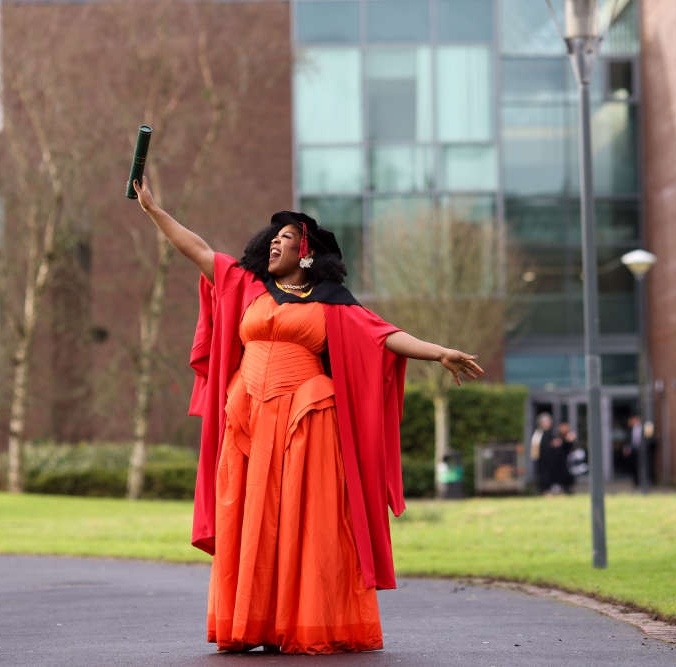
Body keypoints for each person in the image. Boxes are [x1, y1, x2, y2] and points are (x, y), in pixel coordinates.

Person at [132, 177, 484, 655]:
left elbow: (385, 336)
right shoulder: (247, 284)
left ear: (307, 253)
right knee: (249, 516)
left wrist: (439, 351)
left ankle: (304, 622)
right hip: (248, 420)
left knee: (305, 521)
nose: (275, 243)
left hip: (307, 421)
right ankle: (251, 623)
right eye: (273, 239)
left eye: (288, 239)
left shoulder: (333, 303)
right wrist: (153, 208)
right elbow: (196, 247)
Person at [540, 421, 575, 494]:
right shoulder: (551, 435)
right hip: (551, 464)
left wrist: (569, 441)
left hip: (562, 464)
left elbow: (567, 449)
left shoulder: (567, 436)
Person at [529, 412, 552, 492]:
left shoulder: (549, 433)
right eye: (547, 421)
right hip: (542, 461)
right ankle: (544, 490)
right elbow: (536, 451)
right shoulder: (538, 434)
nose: (549, 423)